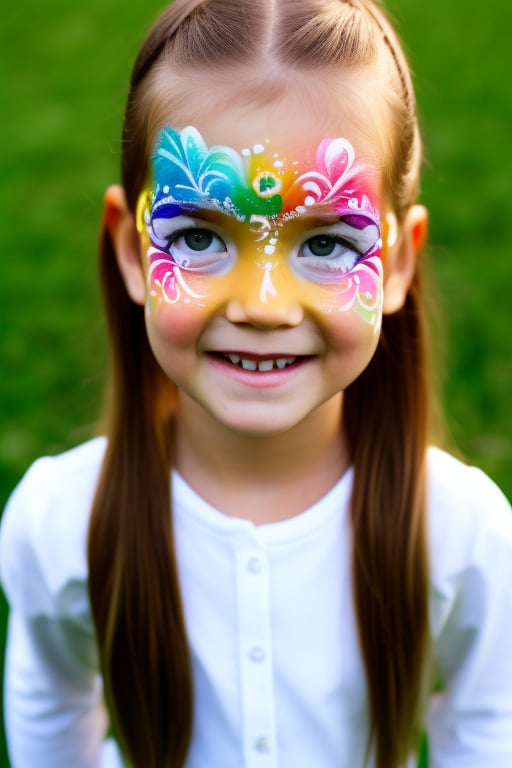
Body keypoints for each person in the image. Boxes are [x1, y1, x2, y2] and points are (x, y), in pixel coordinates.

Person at [1, 0, 512, 766]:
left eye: (330, 242)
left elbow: (485, 729)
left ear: (400, 262)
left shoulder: (463, 531)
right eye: (200, 236)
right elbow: (50, 712)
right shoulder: (60, 521)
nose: (265, 306)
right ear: (134, 253)